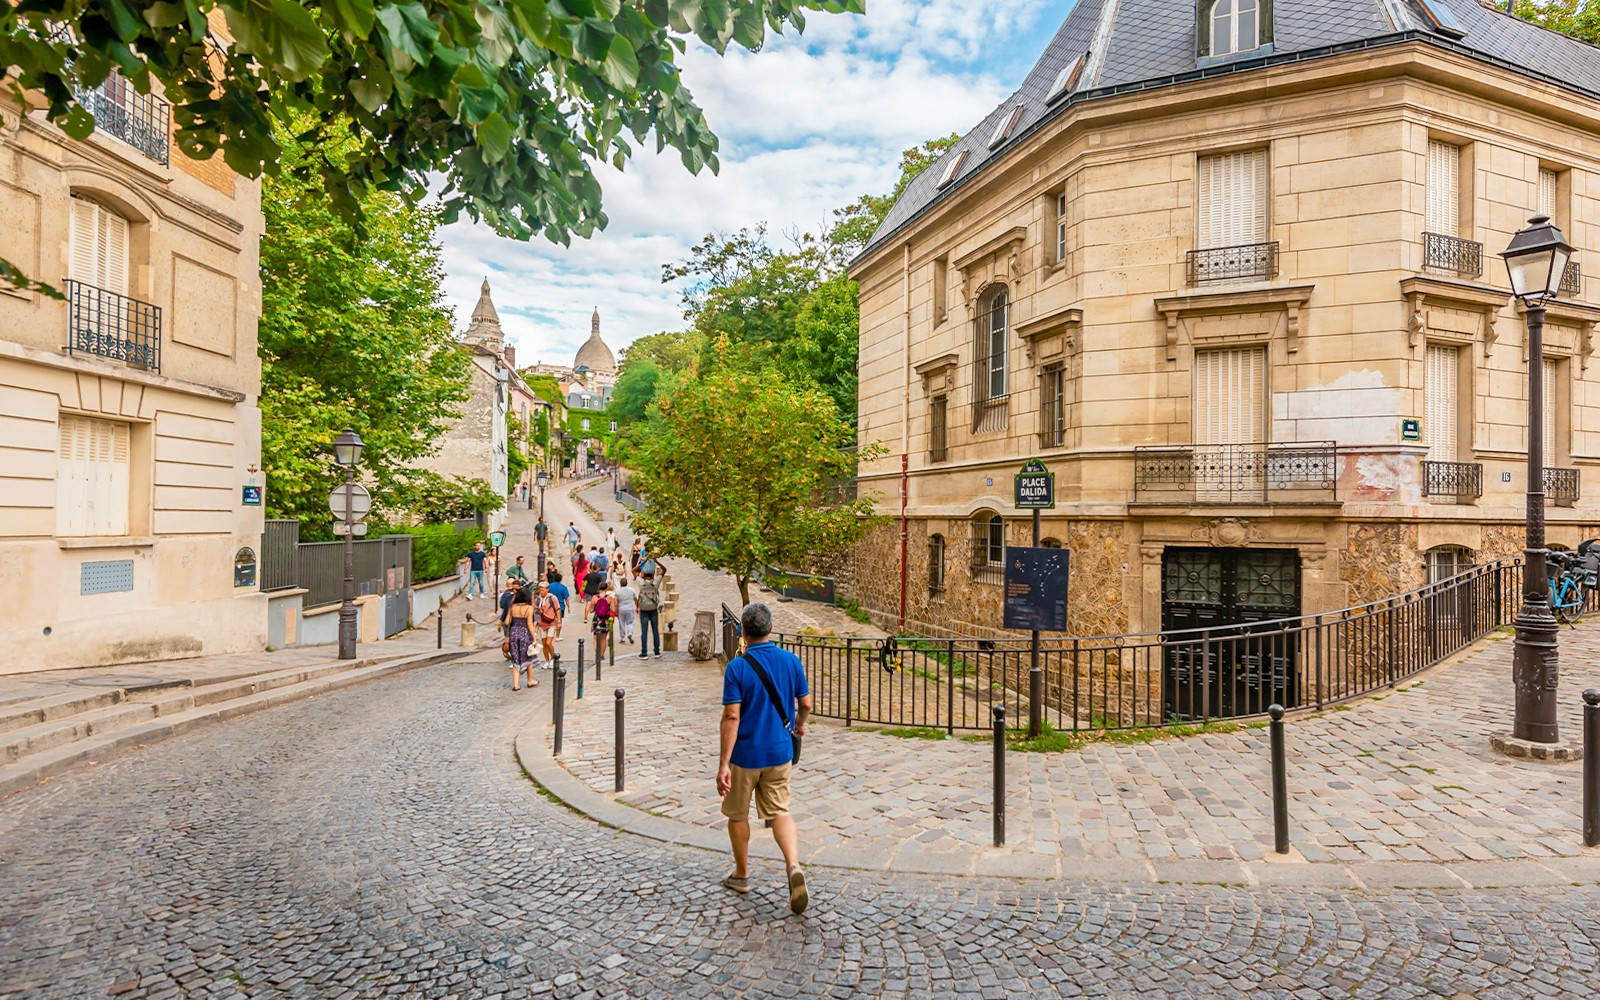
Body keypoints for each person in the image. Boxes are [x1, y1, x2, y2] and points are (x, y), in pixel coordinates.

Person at [716, 602, 811, 914]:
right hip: (779, 752)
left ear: (743, 631)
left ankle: (742, 874)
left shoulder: (738, 667)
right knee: (780, 811)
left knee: (738, 814)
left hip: (745, 755)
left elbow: (732, 716)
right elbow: (806, 703)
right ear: (771, 628)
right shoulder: (790, 660)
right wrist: (799, 725)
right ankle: (793, 866)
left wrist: (723, 765)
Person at [502, 588, 539, 690]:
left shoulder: (512, 607)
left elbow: (506, 622)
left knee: (515, 658)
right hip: (525, 634)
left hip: (513, 633)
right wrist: (535, 638)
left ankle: (516, 684)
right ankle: (530, 680)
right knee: (528, 657)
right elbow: (530, 624)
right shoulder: (529, 608)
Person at [533, 580, 562, 668]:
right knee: (544, 643)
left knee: (549, 642)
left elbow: (557, 609)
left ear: (547, 589)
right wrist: (539, 611)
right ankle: (547, 660)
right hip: (542, 623)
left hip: (551, 622)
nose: (541, 592)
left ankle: (553, 658)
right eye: (540, 590)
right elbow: (535, 611)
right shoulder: (538, 599)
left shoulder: (552, 598)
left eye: (543, 590)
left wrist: (559, 621)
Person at [637, 569, 662, 659]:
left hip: (644, 609)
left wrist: (641, 564)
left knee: (644, 631)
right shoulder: (655, 583)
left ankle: (644, 653)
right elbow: (664, 570)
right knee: (655, 630)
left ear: (644, 576)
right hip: (653, 608)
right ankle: (657, 651)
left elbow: (633, 571)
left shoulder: (641, 583)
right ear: (652, 576)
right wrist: (656, 561)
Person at [546, 569, 571, 640]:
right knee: (559, 621)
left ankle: (549, 634)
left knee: (549, 620)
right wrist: (569, 607)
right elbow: (566, 598)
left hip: (550, 606)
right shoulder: (563, 588)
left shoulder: (550, 586)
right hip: (560, 607)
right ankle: (558, 636)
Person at [614, 576, 638, 644]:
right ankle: (630, 633)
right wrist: (637, 607)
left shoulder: (618, 591)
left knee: (622, 623)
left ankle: (622, 637)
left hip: (621, 608)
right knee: (630, 622)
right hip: (630, 608)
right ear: (627, 583)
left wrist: (616, 610)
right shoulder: (632, 590)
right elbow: (635, 599)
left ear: (620, 583)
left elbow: (616, 602)